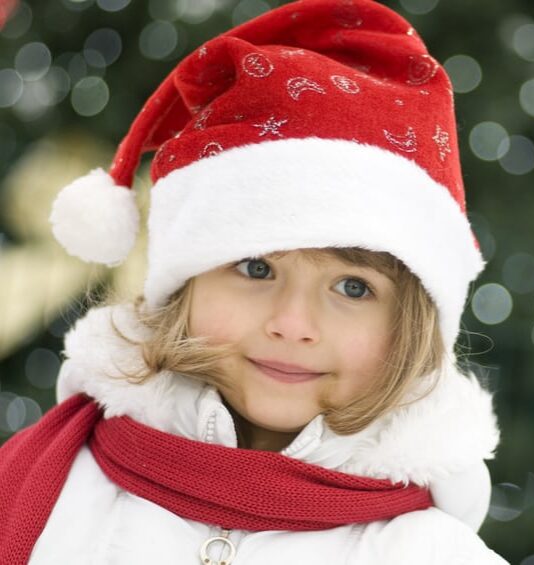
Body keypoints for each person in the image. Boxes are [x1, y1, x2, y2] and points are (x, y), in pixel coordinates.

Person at [0, 0, 506, 562]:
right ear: (185, 281)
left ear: (413, 325)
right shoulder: (49, 489)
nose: (292, 324)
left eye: (354, 288)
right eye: (256, 268)